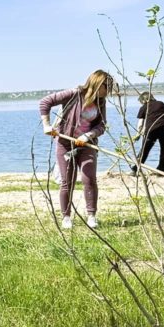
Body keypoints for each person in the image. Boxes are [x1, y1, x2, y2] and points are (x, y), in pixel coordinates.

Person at [39, 70, 112, 229]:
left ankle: (91, 216)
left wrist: (88, 135)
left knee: (89, 179)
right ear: (97, 84)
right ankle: (66, 218)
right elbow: (45, 102)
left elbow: (101, 125)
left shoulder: (101, 102)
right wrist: (46, 125)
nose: (108, 92)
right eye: (107, 87)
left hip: (86, 145)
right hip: (65, 144)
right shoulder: (73, 94)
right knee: (67, 182)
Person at [132, 91, 164, 173]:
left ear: (144, 100)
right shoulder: (161, 103)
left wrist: (138, 134)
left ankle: (136, 168)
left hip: (151, 130)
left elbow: (140, 124)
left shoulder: (143, 107)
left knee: (144, 150)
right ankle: (161, 170)